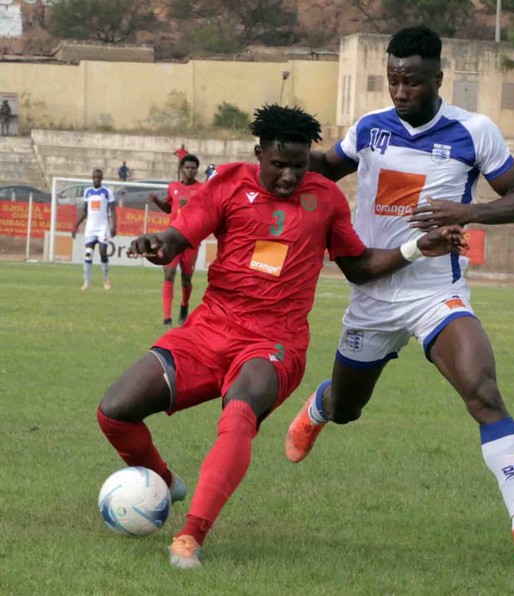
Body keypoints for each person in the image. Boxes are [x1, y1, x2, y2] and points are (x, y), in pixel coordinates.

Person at [96, 104, 466, 569]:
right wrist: (158, 244)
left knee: (238, 415)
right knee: (114, 412)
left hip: (275, 341)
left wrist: (416, 248)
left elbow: (359, 267)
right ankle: (165, 482)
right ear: (259, 154)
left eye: (299, 164)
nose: (291, 176)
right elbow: (180, 234)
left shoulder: (326, 199)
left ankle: (191, 534)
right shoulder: (229, 182)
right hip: (210, 328)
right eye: (280, 165)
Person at [285, 26, 514, 567]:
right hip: (372, 289)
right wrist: (255, 166)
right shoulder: (370, 129)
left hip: (436, 291)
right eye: (393, 79)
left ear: (438, 79)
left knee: (484, 393)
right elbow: (324, 167)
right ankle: (321, 407)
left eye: (412, 81)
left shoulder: (474, 131)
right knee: (350, 407)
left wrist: (468, 212)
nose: (399, 90)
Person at [149, 154, 203, 326]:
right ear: (182, 169)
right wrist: (157, 201)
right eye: (187, 167)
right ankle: (167, 317)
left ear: (197, 170)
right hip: (172, 238)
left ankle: (184, 306)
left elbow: (204, 212)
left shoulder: (202, 189)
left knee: (186, 279)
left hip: (189, 240)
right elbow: (168, 208)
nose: (190, 171)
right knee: (169, 274)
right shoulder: (173, 187)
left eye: (193, 168)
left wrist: (190, 206)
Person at [71, 168, 116, 290]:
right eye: (95, 177)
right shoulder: (88, 192)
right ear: (92, 178)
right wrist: (76, 226)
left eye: (99, 177)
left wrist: (114, 225)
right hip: (90, 228)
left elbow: (112, 209)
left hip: (103, 227)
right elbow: (85, 211)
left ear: (101, 179)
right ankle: (86, 282)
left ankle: (106, 279)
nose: (97, 179)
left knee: (102, 252)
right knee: (88, 254)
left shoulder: (107, 192)